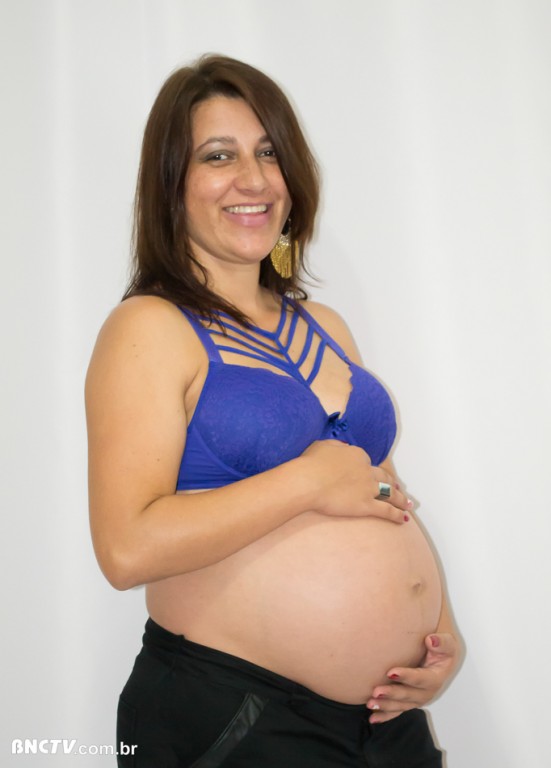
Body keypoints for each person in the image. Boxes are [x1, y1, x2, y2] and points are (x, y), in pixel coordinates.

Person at [85, 54, 460, 767]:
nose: (253, 179)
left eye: (267, 153)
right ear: (171, 184)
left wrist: (440, 633)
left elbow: (381, 492)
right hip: (241, 716)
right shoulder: (149, 328)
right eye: (218, 155)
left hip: (386, 723)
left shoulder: (323, 324)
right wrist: (307, 481)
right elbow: (126, 549)